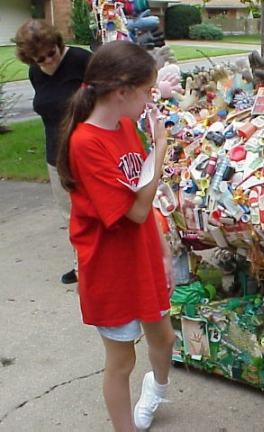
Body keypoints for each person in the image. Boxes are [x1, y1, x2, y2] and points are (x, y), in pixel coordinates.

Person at [56, 40, 175, 432]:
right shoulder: (86, 143)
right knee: (122, 360)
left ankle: (156, 390)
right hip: (110, 267)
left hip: (141, 252)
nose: (150, 100)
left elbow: (142, 200)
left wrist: (162, 250)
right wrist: (160, 149)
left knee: (165, 338)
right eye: (147, 91)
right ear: (122, 91)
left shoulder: (124, 126)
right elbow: (136, 208)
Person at [15, 19, 92, 284]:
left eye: (52, 53)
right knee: (70, 214)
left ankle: (103, 263)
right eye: (41, 59)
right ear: (30, 59)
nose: (49, 60)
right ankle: (82, 263)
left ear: (58, 44)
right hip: (56, 155)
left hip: (87, 152)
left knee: (97, 210)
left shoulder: (81, 60)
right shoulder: (35, 73)